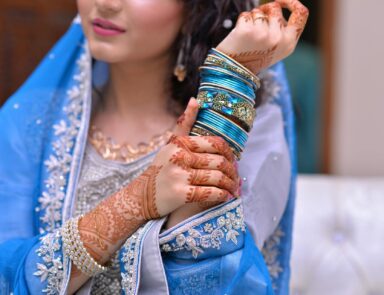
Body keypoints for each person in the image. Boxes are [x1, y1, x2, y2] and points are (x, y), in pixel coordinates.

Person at [0, 0, 308, 294]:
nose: (106, 4)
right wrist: (137, 202)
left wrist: (226, 91)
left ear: (197, 8)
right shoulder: (31, 123)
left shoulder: (250, 126)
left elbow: (218, 283)